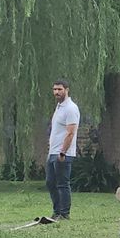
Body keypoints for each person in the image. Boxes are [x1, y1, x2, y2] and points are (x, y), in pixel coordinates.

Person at [46, 79, 80, 220]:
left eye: (59, 89)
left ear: (67, 90)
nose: (57, 92)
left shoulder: (71, 108)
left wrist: (62, 152)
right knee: (50, 182)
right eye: (54, 89)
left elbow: (70, 132)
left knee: (62, 183)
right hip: (52, 152)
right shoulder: (59, 107)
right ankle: (57, 211)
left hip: (62, 153)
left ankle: (64, 213)